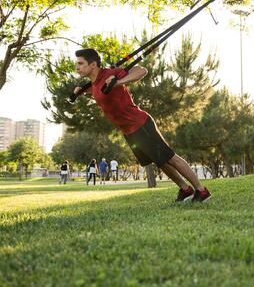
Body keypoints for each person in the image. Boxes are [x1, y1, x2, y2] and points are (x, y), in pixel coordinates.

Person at [74, 48, 211, 202]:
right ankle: (185, 189)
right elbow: (104, 95)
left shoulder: (110, 74)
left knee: (170, 158)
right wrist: (83, 93)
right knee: (159, 161)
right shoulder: (94, 84)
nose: (77, 67)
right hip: (128, 131)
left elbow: (141, 70)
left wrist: (118, 82)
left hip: (140, 124)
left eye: (81, 63)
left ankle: (202, 190)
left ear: (93, 65)